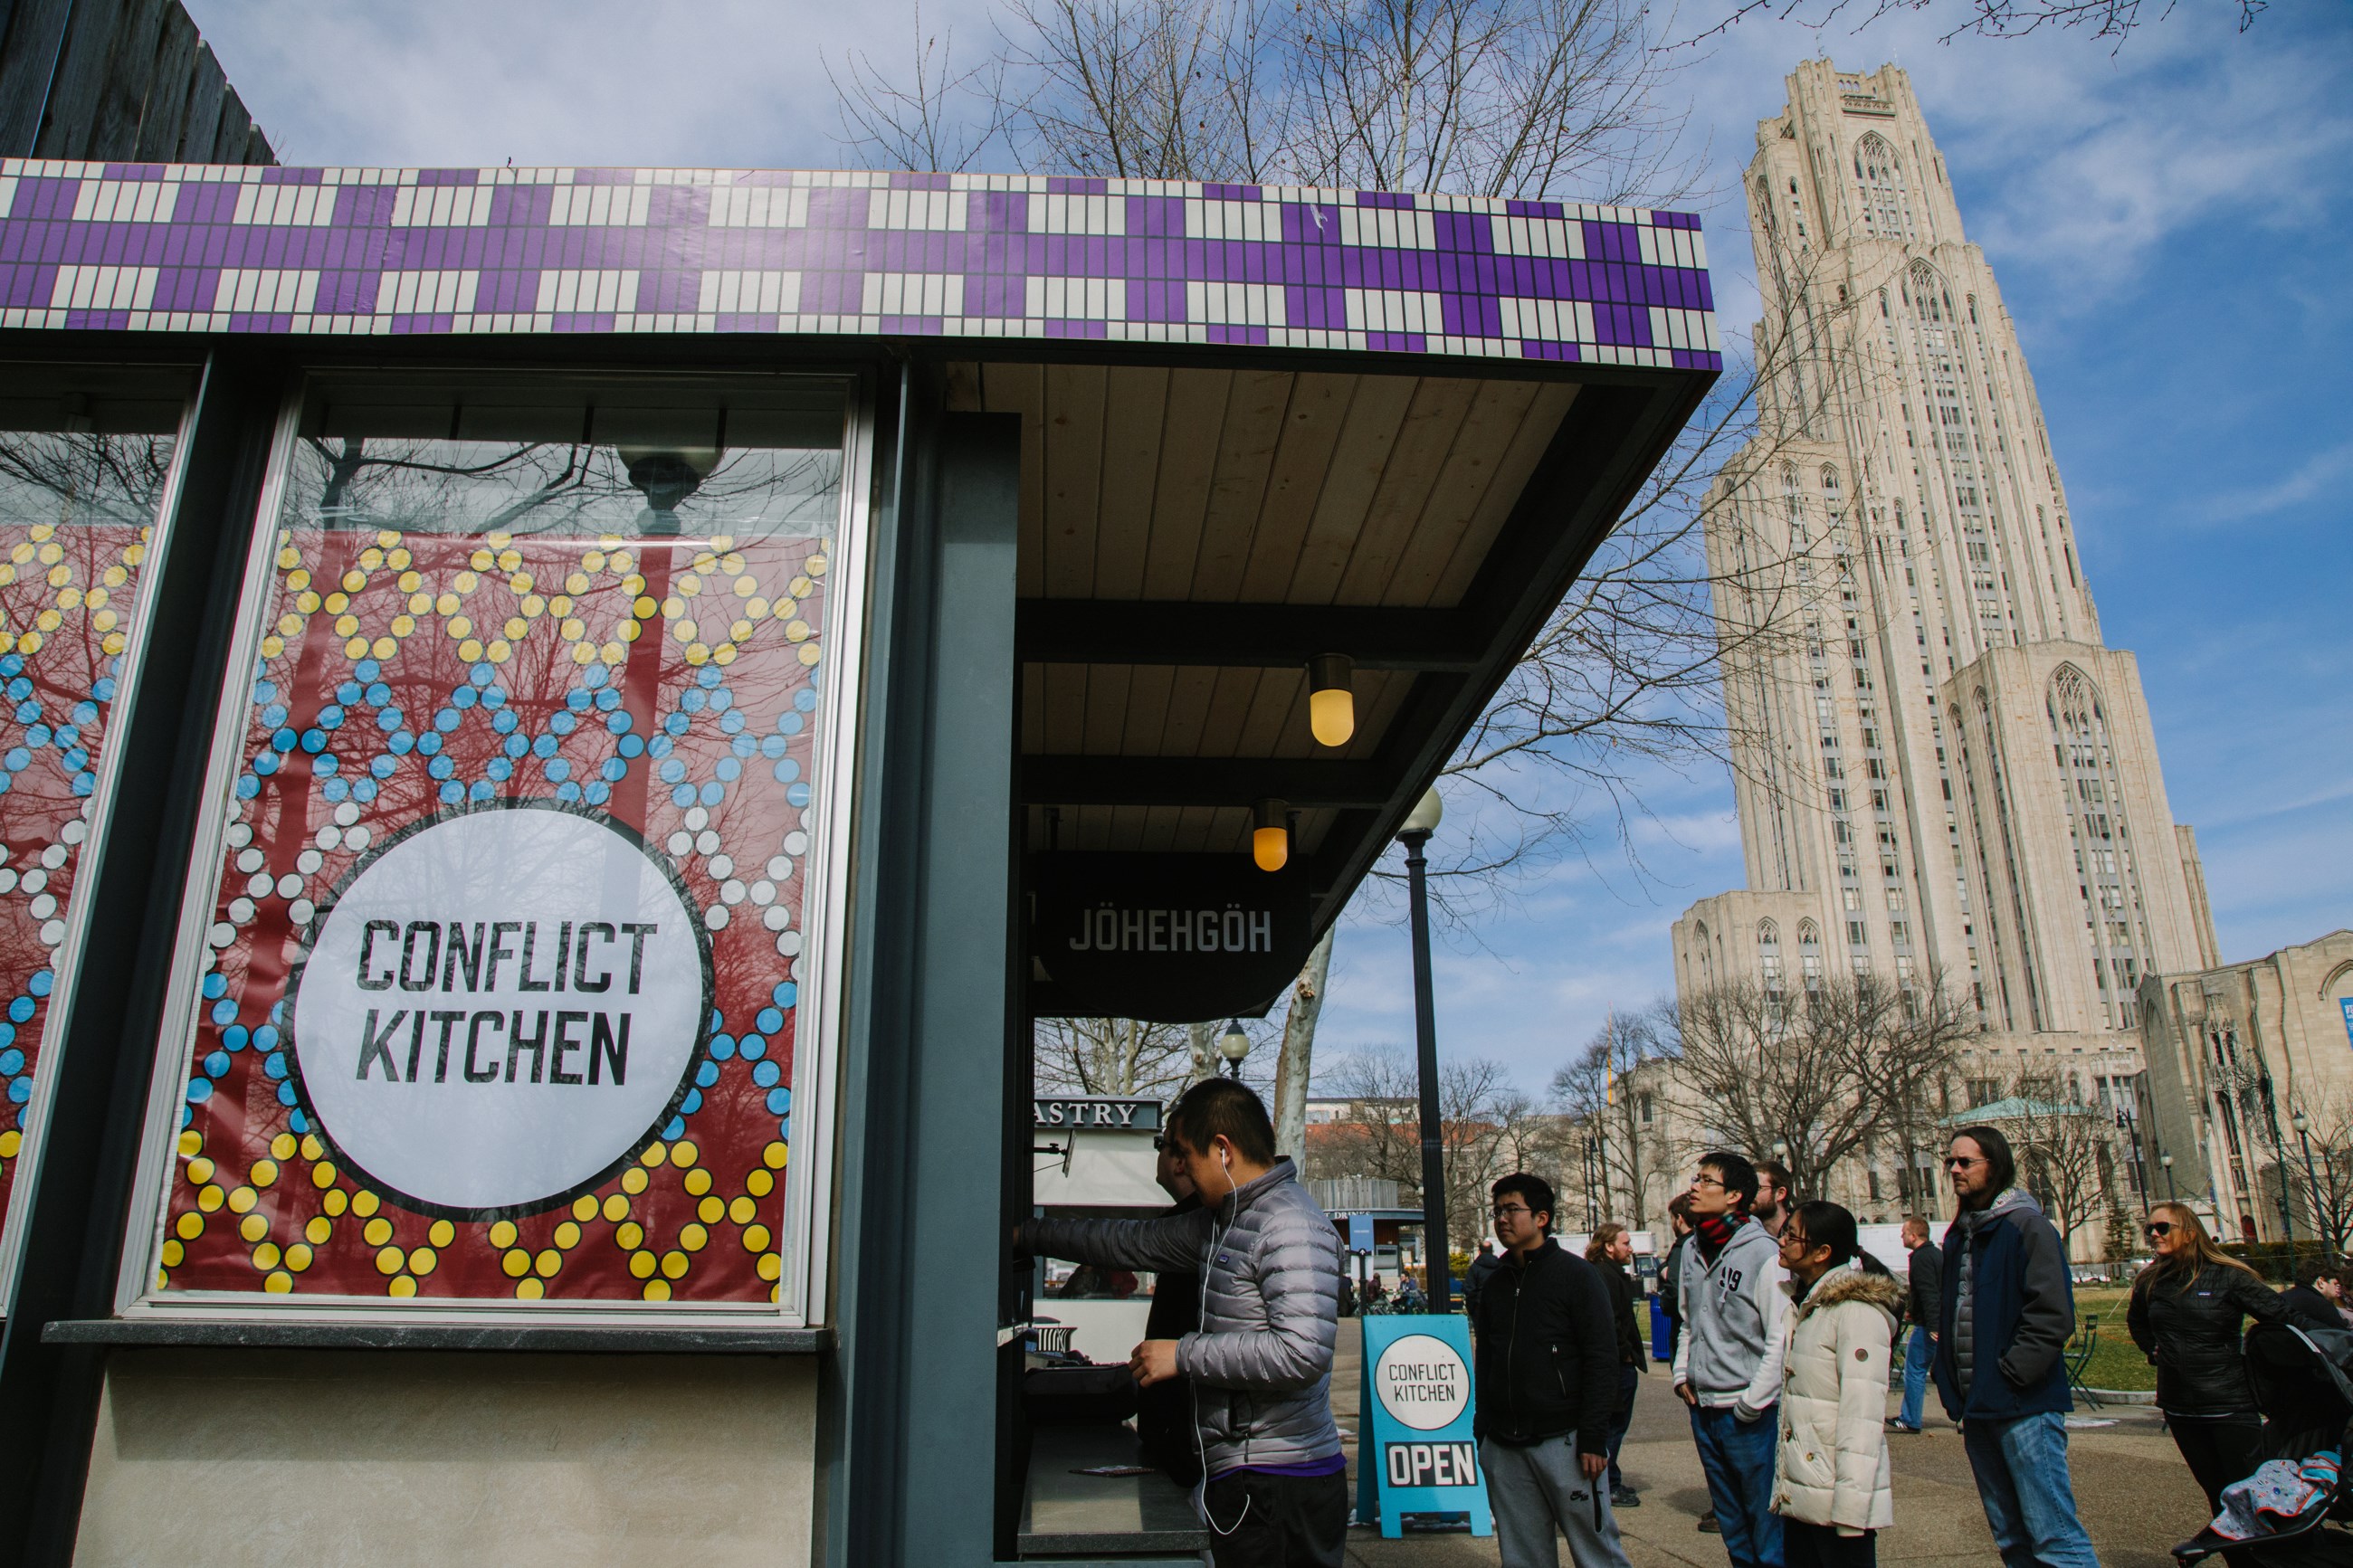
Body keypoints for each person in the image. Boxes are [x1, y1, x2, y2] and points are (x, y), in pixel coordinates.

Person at [1018, 1078, 1345, 1568]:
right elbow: (1127, 1242)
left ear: (1223, 1150)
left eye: (1187, 1155)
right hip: (1249, 1476)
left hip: (1283, 1481)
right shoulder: (1225, 1221)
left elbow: (1303, 1354)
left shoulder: (1290, 1224)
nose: (1181, 1167)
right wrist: (1028, 1234)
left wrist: (1182, 1354)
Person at [2128, 1202, 2332, 1567]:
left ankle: (2280, 1561)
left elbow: (2283, 1316)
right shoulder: (2151, 1280)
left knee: (2248, 1497)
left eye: (2162, 1227)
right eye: (2149, 1230)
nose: (2154, 1235)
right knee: (2217, 1496)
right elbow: (2139, 1322)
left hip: (2228, 1404)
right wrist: (2154, 1351)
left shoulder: (2227, 1276)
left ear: (2189, 1231)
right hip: (2179, 1406)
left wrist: (2335, 1341)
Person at [1932, 1126, 2099, 1568]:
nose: (1954, 1170)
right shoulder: (1958, 1235)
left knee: (2055, 1536)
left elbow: (2052, 1315)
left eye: (1965, 1162)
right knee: (2010, 1537)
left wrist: (2011, 1373)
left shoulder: (2027, 1226)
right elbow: (1952, 1312)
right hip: (1978, 1403)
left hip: (2023, 1405)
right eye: (1950, 1161)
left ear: (1996, 1166)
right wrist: (1950, 1380)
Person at [1472, 1174, 1633, 1568]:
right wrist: (1484, 1431)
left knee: (1597, 1552)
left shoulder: (1577, 1276)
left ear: (1542, 1217)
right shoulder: (1494, 1284)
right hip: (1505, 1444)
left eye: (1512, 1210)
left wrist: (1594, 1437)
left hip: (1567, 1442)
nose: (1502, 1219)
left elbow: (1601, 1357)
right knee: (1523, 1554)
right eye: (1497, 1211)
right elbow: (1488, 1360)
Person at [1768, 1201, 1901, 1567]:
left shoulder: (1856, 1313)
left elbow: (1863, 1418)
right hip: (1804, 1495)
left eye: (1792, 1235)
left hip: (1837, 1505)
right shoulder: (1807, 1306)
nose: (1782, 1241)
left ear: (1823, 1252)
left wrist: (1851, 1512)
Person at [1673, 1151, 1788, 1568]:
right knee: (1732, 1523)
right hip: (1704, 1408)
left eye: (1707, 1181)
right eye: (1696, 1179)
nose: (1695, 1187)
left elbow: (1779, 1335)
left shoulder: (1763, 1252)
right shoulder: (1690, 1248)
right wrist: (1682, 1372)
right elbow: (1689, 1319)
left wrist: (1752, 1402)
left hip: (1749, 1415)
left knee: (1766, 1523)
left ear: (1735, 1196)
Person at [1137, 1131, 1205, 1486]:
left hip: (1183, 1434)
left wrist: (1180, 1356)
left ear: (1180, 1161)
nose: (1157, 1155)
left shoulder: (1193, 1228)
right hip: (1179, 1428)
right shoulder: (1194, 1223)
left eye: (1160, 1145)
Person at [1586, 1222, 1649, 1507]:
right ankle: (1608, 1484)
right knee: (1613, 1425)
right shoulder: (1604, 1276)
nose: (1630, 1248)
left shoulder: (1607, 1274)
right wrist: (1624, 1354)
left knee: (1614, 1424)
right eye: (1625, 1243)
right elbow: (1610, 1322)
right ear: (1609, 1246)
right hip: (1615, 1365)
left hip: (1616, 1362)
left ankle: (1610, 1479)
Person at [1886, 1216, 1940, 1434]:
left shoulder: (1921, 1259)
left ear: (1914, 1235)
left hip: (1928, 1325)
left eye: (1904, 1232)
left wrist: (1933, 1325)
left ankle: (1910, 1418)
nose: (1901, 1236)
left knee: (1914, 1369)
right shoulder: (1935, 1255)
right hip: (1932, 1321)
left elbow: (1929, 1294)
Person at [2282, 1252, 2350, 1330]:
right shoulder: (2322, 1305)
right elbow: (2341, 1337)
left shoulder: (2281, 1298)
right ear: (2321, 1282)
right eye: (2335, 1284)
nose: (2338, 1288)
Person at [1753, 1160, 1795, 1241]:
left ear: (1780, 1193)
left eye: (1757, 1188)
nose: (1750, 1193)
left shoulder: (1801, 1237)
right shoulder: (1746, 1236)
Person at [1468, 1238, 1507, 1318]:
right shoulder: (1501, 1266)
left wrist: (1473, 1308)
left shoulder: (1475, 1267)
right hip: (1500, 1306)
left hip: (1480, 1307)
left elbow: (1469, 1289)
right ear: (1492, 1251)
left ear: (1479, 1252)